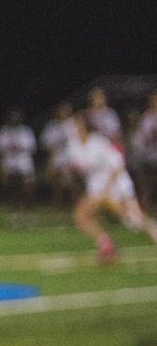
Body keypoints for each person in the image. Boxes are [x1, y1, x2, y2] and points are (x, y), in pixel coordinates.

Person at [67, 110, 157, 263]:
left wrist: (107, 190)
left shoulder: (98, 142)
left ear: (85, 126)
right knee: (81, 216)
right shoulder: (75, 144)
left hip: (117, 186)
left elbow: (117, 165)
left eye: (78, 124)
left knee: (134, 221)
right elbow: (79, 167)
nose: (75, 128)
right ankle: (106, 244)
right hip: (96, 188)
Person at [0, 108, 38, 226]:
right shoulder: (3, 131)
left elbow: (32, 148)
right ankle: (14, 213)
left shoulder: (26, 131)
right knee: (12, 189)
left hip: (24, 163)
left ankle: (28, 213)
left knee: (27, 189)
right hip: (9, 164)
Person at [41, 102, 81, 211]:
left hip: (71, 157)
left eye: (66, 110)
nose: (63, 113)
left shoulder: (73, 124)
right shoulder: (52, 126)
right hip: (57, 157)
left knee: (73, 184)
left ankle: (76, 206)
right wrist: (50, 161)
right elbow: (47, 145)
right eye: (61, 110)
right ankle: (58, 207)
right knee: (56, 185)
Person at [129, 93, 157, 211]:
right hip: (149, 157)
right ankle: (145, 206)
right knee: (146, 183)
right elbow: (141, 139)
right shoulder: (147, 118)